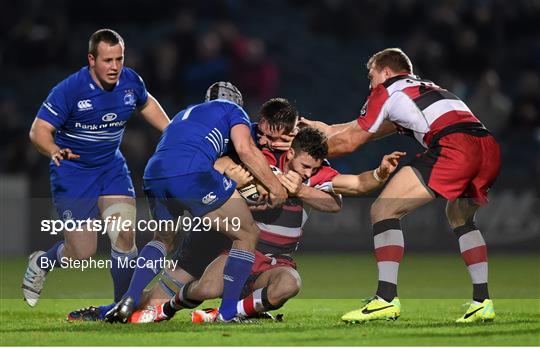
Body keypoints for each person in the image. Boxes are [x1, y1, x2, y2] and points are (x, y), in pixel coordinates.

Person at [302, 48, 501, 323]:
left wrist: (302, 151)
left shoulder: (386, 90)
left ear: (385, 72)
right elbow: (370, 129)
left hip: (455, 146)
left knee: (383, 211)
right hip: (487, 147)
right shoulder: (420, 89)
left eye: (371, 76)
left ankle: (385, 299)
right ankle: (482, 301)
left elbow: (350, 142)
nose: (369, 83)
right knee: (459, 216)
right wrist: (325, 129)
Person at [126, 128, 405, 323]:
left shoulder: (313, 177)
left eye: (314, 169)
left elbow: (352, 187)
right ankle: (165, 309)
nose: (308, 173)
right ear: (291, 154)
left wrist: (380, 174)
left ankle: (230, 312)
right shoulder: (262, 163)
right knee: (204, 289)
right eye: (305, 166)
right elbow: (220, 163)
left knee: (290, 285)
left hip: (276, 261)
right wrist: (229, 176)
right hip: (240, 251)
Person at [67, 96, 300, 322]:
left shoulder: (186, 116)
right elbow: (243, 151)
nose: (269, 141)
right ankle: (229, 313)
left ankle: (126, 299)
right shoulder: (234, 115)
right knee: (247, 233)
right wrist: (273, 189)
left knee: (163, 240)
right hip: (193, 181)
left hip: (155, 172)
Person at [22, 29, 170, 307]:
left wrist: (172, 131)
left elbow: (146, 102)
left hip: (111, 167)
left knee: (125, 235)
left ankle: (120, 307)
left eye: (119, 59)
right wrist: (52, 149)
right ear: (91, 59)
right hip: (73, 173)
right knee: (82, 250)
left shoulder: (130, 81)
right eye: (107, 60)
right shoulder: (70, 90)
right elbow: (38, 130)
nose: (115, 67)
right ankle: (41, 262)